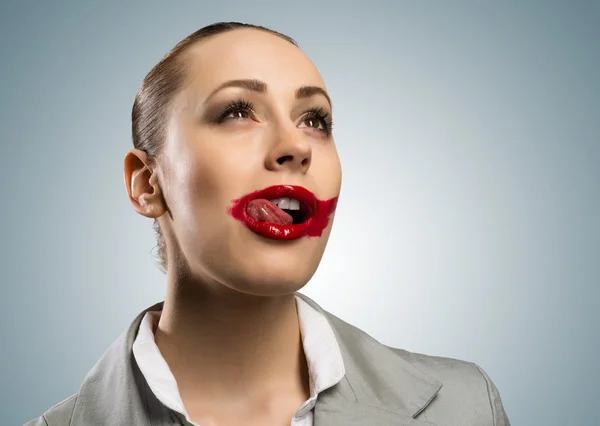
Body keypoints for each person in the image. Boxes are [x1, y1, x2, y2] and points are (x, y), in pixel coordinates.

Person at [25, 22, 510, 426]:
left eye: (314, 119)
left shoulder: (467, 407)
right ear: (147, 184)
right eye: (237, 111)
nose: (297, 146)